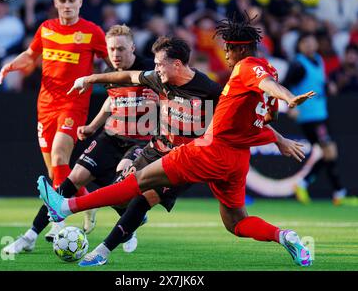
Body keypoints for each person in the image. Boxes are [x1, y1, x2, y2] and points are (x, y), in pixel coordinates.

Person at [38, 17, 316, 267]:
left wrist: (288, 97)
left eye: (228, 48)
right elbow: (264, 110)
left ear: (239, 48)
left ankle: (66, 207)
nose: (226, 54)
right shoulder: (266, 69)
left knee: (138, 182)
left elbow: (267, 85)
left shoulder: (245, 68)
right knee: (237, 223)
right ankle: (284, 236)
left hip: (207, 150)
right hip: (236, 159)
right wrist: (277, 130)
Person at [2, 24, 155, 255]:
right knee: (72, 179)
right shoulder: (110, 70)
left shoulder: (148, 70)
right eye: (112, 49)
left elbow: (165, 94)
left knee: (122, 177)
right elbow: (112, 101)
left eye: (121, 49)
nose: (116, 54)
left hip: (140, 141)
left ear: (132, 47)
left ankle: (128, 222)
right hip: (111, 136)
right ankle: (31, 234)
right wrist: (93, 126)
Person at [75, 36, 223, 267]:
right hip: (154, 150)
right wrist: (90, 78)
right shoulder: (159, 79)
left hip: (183, 160)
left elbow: (240, 112)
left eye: (158, 64)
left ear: (176, 64)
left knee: (144, 198)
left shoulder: (210, 90)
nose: (154, 69)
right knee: (120, 193)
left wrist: (278, 138)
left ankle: (102, 250)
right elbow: (126, 76)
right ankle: (117, 218)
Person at [0, 0, 111, 242]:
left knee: (61, 156)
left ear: (80, 2)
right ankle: (87, 201)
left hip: (73, 103)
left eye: (72, 0)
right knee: (55, 173)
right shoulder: (46, 28)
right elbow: (30, 55)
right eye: (63, 1)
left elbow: (111, 62)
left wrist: (122, 83)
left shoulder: (92, 32)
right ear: (56, 3)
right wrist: (10, 65)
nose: (68, 5)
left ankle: (57, 222)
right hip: (45, 105)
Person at [283, 33, 350, 205]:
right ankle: (337, 192)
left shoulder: (319, 60)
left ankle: (328, 190)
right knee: (329, 151)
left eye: (312, 41)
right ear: (299, 46)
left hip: (321, 113)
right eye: (305, 42)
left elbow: (319, 81)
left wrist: (329, 85)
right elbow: (284, 85)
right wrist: (291, 107)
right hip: (308, 116)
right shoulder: (298, 65)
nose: (310, 45)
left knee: (328, 152)